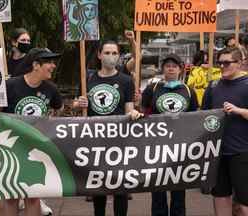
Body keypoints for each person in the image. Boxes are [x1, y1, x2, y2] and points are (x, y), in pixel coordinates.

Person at [0, 48, 63, 216]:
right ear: (36, 65)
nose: (53, 66)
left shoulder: (51, 89)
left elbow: (59, 109)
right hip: (9, 147)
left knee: (33, 195)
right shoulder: (10, 85)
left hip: (36, 148)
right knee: (11, 195)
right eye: (49, 62)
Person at [73, 40, 142, 216]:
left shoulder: (126, 80)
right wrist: (78, 103)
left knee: (120, 187)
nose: (110, 57)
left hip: (119, 140)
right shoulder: (87, 77)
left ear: (119, 56)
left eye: (114, 53)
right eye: (107, 53)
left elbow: (128, 109)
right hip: (95, 140)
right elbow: (76, 104)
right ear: (99, 55)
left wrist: (133, 113)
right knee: (99, 188)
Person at [142, 53, 198, 216]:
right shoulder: (152, 88)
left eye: (174, 66)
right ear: (163, 69)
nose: (171, 68)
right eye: (167, 66)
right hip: (157, 147)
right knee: (158, 189)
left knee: (179, 191)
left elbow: (195, 117)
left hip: (180, 148)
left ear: (180, 69)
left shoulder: (188, 90)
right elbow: (144, 112)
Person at [202, 47, 248, 216]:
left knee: (244, 202)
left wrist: (240, 111)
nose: (222, 66)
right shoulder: (213, 86)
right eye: (219, 63)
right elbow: (203, 116)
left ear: (240, 62)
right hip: (217, 152)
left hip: (242, 152)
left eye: (227, 62)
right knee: (220, 196)